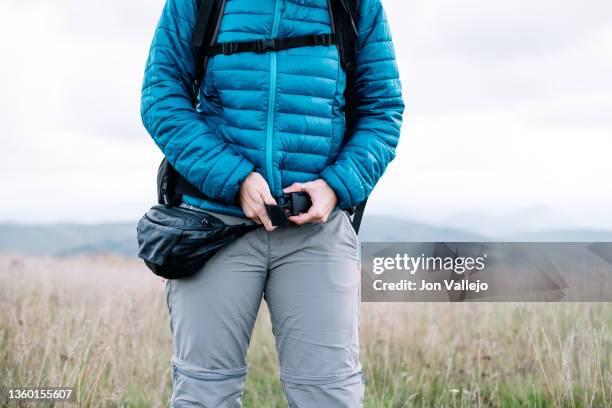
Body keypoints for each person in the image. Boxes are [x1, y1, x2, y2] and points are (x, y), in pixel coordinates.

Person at [141, 0, 403, 406]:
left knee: (329, 394)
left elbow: (382, 110)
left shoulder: (355, 4)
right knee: (204, 394)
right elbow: (162, 98)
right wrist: (235, 178)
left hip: (316, 231)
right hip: (214, 227)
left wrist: (336, 186)